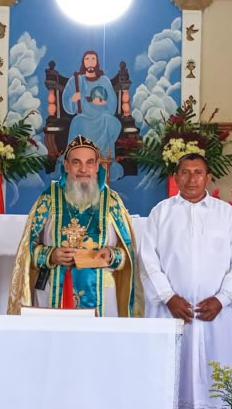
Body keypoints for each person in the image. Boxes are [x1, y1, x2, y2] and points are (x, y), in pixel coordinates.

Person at [139, 153, 232, 409]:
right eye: (185, 172)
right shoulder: (161, 213)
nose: (191, 179)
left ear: (208, 177)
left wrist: (222, 299)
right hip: (169, 312)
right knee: (169, 375)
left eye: (198, 172)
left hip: (214, 315)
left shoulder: (226, 215)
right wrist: (168, 297)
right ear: (176, 177)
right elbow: (147, 260)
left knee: (213, 375)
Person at [7, 136, 138, 317]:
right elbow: (27, 252)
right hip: (53, 291)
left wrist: (110, 254)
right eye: (76, 163)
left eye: (89, 163)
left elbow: (128, 255)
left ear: (97, 166)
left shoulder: (112, 202)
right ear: (67, 166)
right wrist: (51, 255)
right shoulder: (48, 199)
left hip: (102, 293)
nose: (83, 169)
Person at [62, 50, 124, 180]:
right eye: (87, 59)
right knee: (77, 121)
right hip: (83, 117)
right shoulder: (76, 80)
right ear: (83, 62)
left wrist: (104, 102)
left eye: (93, 59)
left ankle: (105, 164)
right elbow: (67, 103)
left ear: (97, 62)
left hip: (101, 116)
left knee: (109, 120)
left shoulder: (104, 80)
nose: (90, 62)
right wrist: (73, 99)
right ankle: (77, 164)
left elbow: (112, 104)